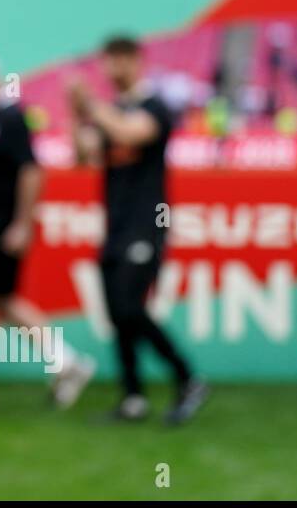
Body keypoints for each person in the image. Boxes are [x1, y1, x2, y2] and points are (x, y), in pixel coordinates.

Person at [0, 44, 95, 411]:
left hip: (3, 225)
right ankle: (66, 362)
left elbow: (30, 170)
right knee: (1, 301)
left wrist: (23, 224)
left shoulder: (9, 118)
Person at [68, 35, 208, 425]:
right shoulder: (111, 110)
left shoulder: (155, 106)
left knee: (131, 307)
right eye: (107, 61)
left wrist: (91, 105)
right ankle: (133, 397)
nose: (111, 69)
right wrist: (76, 110)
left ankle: (188, 377)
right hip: (115, 225)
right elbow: (83, 154)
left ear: (135, 62)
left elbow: (131, 134)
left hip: (147, 223)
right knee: (117, 312)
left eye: (118, 61)